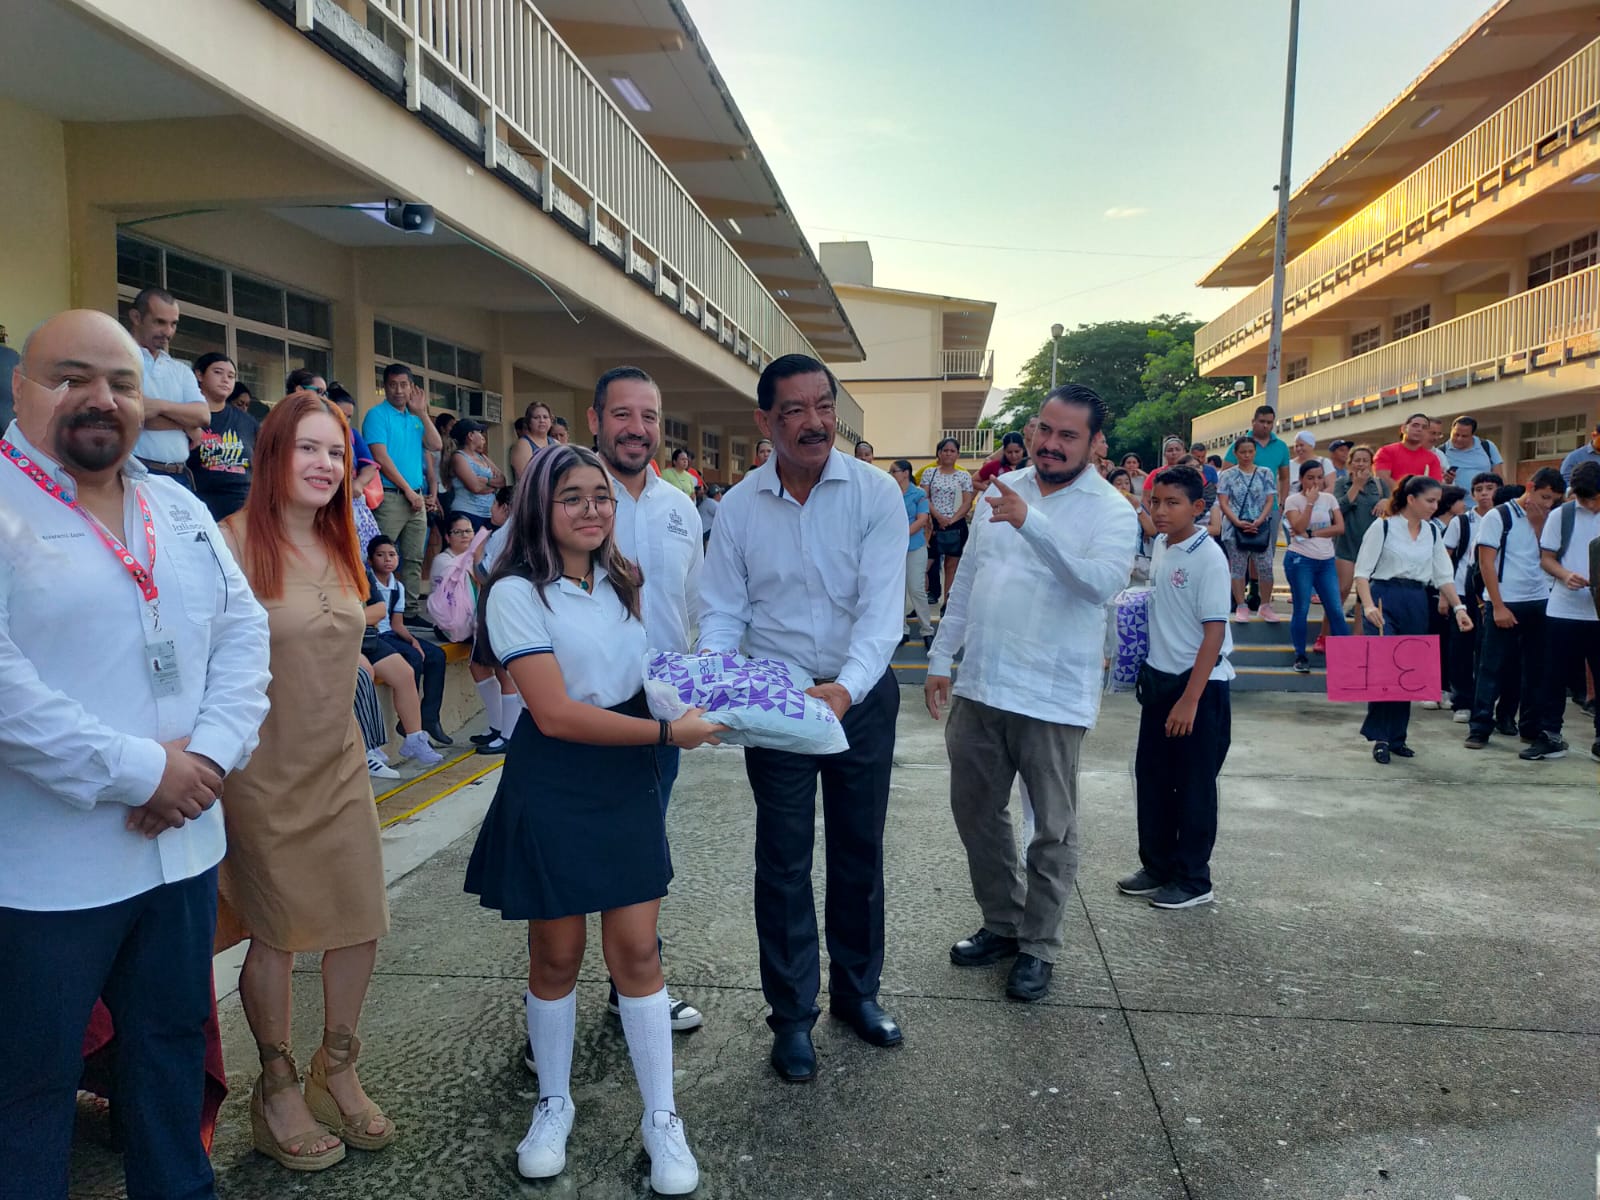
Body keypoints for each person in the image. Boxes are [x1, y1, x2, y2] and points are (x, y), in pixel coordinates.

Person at [0, 309, 271, 1200]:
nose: (100, 399)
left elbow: (244, 636)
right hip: (48, 873)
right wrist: (147, 773)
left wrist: (210, 761)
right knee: (29, 1085)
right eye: (70, 376)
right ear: (21, 388)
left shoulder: (177, 505)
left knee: (169, 1056)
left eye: (120, 382)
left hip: (180, 851)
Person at [465, 444, 718, 1193]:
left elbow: (640, 674)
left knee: (637, 950)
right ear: (542, 507)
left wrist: (710, 697)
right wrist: (673, 735)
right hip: (559, 774)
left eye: (600, 496)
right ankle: (554, 1102)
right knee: (557, 953)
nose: (591, 509)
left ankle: (661, 1117)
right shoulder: (513, 591)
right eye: (571, 496)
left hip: (626, 772)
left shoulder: (622, 579)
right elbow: (556, 713)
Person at [699, 353, 907, 1082]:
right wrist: (718, 680)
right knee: (783, 859)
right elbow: (723, 608)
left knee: (859, 850)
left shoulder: (877, 495)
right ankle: (791, 1017)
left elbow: (884, 614)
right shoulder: (738, 508)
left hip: (861, 695)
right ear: (765, 422)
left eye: (823, 406)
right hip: (780, 700)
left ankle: (858, 993)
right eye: (794, 409)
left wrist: (846, 691)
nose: (814, 422)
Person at [215, 391, 395, 1171]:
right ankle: (277, 1084)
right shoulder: (225, 542)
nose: (325, 466)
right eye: (308, 450)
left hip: (339, 760)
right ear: (273, 457)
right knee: (279, 933)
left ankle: (338, 1064)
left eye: (336, 452)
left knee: (361, 919)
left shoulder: (341, 539)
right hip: (262, 772)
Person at [927, 383, 1137, 999]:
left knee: (1053, 827)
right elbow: (968, 580)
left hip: (1051, 695)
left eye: (1068, 435)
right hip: (983, 683)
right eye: (1045, 429)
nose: (1050, 443)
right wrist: (942, 657)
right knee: (977, 814)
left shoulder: (1112, 509)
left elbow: (1099, 585)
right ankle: (1003, 921)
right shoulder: (1003, 489)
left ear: (1096, 443)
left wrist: (1033, 525)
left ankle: (1040, 945)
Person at [582, 364, 708, 1038]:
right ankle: (548, 1001)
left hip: (661, 710)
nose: (637, 429)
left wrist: (697, 693)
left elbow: (695, 607)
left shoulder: (679, 506)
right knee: (573, 856)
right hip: (582, 709)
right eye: (623, 414)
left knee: (643, 853)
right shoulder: (564, 493)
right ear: (596, 419)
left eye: (650, 417)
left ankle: (634, 984)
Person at [1117, 464, 1232, 909]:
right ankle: (1158, 865)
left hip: (1199, 688)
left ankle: (1193, 880)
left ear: (1198, 508)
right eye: (1155, 502)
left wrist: (1190, 699)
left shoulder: (1208, 557)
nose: (1160, 511)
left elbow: (1215, 633)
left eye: (1172, 503)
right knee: (1153, 777)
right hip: (1160, 682)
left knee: (1194, 784)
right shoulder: (1163, 544)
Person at [1353, 475, 1473, 763]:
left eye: (1437, 501)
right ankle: (1380, 736)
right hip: (1383, 598)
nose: (1435, 506)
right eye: (1430, 500)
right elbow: (1361, 573)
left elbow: (1443, 575)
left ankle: (1397, 737)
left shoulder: (1433, 532)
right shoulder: (1382, 527)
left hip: (1417, 600)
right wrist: (1368, 606)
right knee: (1385, 670)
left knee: (1407, 671)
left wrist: (1459, 608)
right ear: (1411, 499)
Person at [1464, 468, 1565, 755]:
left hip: (1540, 601)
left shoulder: (1551, 519)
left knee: (1535, 669)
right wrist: (1497, 606)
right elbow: (1486, 565)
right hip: (1505, 600)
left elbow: (1548, 557)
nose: (1547, 504)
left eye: (1553, 499)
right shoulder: (1500, 516)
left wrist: (1539, 524)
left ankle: (1530, 726)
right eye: (1544, 496)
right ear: (1530, 487)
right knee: (1491, 667)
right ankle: (1480, 726)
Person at [362, 365, 440, 617]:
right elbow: (380, 457)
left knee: (414, 558)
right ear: (384, 386)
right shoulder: (376, 415)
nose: (398, 390)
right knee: (379, 555)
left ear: (412, 387)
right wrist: (408, 491)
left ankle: (410, 611)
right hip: (390, 495)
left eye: (403, 384)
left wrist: (422, 412)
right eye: (393, 384)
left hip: (415, 496)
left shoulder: (416, 417)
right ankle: (377, 610)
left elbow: (436, 444)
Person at [364, 534, 451, 748]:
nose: (387, 560)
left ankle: (430, 716)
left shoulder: (398, 587)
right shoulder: (367, 584)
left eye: (392, 555)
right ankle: (408, 721)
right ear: (371, 559)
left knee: (436, 655)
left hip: (392, 634)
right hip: (376, 637)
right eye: (380, 555)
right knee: (413, 659)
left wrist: (414, 640)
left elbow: (397, 624)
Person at [1539, 461, 1600, 762]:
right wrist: (1564, 575)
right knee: (1554, 675)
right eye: (1584, 497)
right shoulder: (1561, 515)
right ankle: (1550, 734)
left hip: (1597, 611)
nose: (1589, 504)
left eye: (1594, 498)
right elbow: (1547, 558)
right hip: (1563, 607)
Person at [124, 288, 211, 490]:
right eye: (160, 322)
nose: (168, 332)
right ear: (136, 317)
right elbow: (130, 414)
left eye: (173, 324)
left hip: (180, 477)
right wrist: (186, 424)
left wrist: (159, 406)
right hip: (136, 475)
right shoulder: (118, 360)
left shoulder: (180, 369)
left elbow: (203, 416)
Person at [1442, 472, 1502, 719]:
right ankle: (1463, 701)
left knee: (1490, 651)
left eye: (1490, 488)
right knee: (1461, 649)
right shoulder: (1462, 522)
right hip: (1463, 593)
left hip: (1496, 594)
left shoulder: (1506, 518)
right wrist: (1446, 596)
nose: (1484, 493)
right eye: (1479, 489)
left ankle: (1487, 701)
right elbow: (1445, 558)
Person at [1282, 460, 1348, 672]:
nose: (1316, 481)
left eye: (1319, 477)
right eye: (1310, 477)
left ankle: (1349, 656)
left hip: (1326, 559)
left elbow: (1339, 527)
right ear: (1301, 479)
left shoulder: (1329, 499)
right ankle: (1300, 655)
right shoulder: (1294, 500)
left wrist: (1313, 533)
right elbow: (1298, 526)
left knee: (1335, 609)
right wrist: (1309, 503)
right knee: (1302, 608)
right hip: (1301, 559)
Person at [1223, 407, 1291, 610]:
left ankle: (1257, 594)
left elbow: (1284, 476)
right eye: (1262, 421)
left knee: (1263, 552)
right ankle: (1238, 598)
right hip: (1239, 510)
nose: (1266, 425)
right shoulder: (1241, 443)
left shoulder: (1281, 446)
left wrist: (1282, 501)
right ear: (1253, 421)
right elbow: (1226, 471)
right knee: (1239, 554)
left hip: (1267, 509)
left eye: (1270, 422)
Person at [1217, 436, 1281, 622]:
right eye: (1242, 452)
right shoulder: (1227, 475)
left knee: (1266, 566)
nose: (1246, 455)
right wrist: (1236, 521)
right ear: (1236, 453)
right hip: (1235, 525)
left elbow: (1270, 499)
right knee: (1238, 567)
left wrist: (1260, 520)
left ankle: (1265, 605)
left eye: (1250, 452)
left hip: (1259, 524)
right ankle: (1241, 605)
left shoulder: (1265, 473)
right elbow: (1223, 501)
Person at [188, 351, 257, 521]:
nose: (226, 379)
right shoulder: (186, 415)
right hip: (199, 508)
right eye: (218, 372)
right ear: (199, 374)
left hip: (244, 509)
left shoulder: (247, 421)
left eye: (231, 376)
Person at [1332, 445, 1389, 644]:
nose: (1361, 464)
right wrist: (1356, 485)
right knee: (1341, 590)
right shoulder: (1342, 483)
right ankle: (1329, 633)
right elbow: (1337, 509)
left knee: (1364, 594)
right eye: (1357, 460)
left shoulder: (1379, 485)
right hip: (1347, 544)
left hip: (1372, 547)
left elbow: (1392, 506)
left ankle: (1358, 635)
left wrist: (1386, 502)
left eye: (1365, 460)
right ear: (1350, 462)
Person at [920, 437, 975, 608]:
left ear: (958, 454)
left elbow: (967, 502)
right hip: (933, 524)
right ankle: (920, 603)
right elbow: (924, 496)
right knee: (924, 565)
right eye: (945, 450)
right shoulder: (930, 472)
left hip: (956, 524)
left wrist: (951, 520)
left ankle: (947, 604)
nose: (948, 453)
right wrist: (938, 517)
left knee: (951, 566)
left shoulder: (964, 475)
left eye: (952, 451)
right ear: (939, 453)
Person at [890, 458, 936, 650]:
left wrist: (902, 534)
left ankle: (927, 630)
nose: (891, 474)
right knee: (896, 591)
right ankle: (902, 631)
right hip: (893, 549)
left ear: (905, 473)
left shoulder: (918, 494)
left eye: (894, 471)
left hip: (914, 546)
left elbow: (923, 519)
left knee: (916, 589)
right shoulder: (889, 493)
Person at [448, 418, 506, 530]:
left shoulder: (482, 456)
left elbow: (502, 480)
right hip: (468, 513)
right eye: (479, 432)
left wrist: (486, 481)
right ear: (470, 435)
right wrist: (493, 487)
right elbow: (475, 487)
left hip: (489, 514)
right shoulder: (459, 457)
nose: (483, 436)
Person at [1373, 413, 1445, 488]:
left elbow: (1435, 485)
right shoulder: (1386, 451)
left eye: (1424, 427)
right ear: (1403, 429)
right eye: (1415, 425)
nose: (1419, 429)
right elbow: (1383, 479)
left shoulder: (1432, 458)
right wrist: (1404, 494)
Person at [1435, 415, 1502, 488]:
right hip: (1456, 498)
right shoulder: (1440, 452)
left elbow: (1499, 477)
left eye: (1464, 436)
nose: (1459, 439)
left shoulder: (1487, 446)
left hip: (1485, 498)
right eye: (1456, 435)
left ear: (1472, 435)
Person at [509, 401, 556, 481]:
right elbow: (525, 478)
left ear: (551, 421)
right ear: (529, 422)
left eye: (545, 417)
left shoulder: (556, 443)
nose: (542, 420)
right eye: (536, 417)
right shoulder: (523, 444)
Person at [1288, 431, 1336, 495]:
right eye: (1296, 446)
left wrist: (1313, 500)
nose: (1299, 448)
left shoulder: (1325, 462)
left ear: (1311, 446)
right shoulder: (1288, 465)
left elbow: (1331, 487)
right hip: (1293, 504)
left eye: (1301, 445)